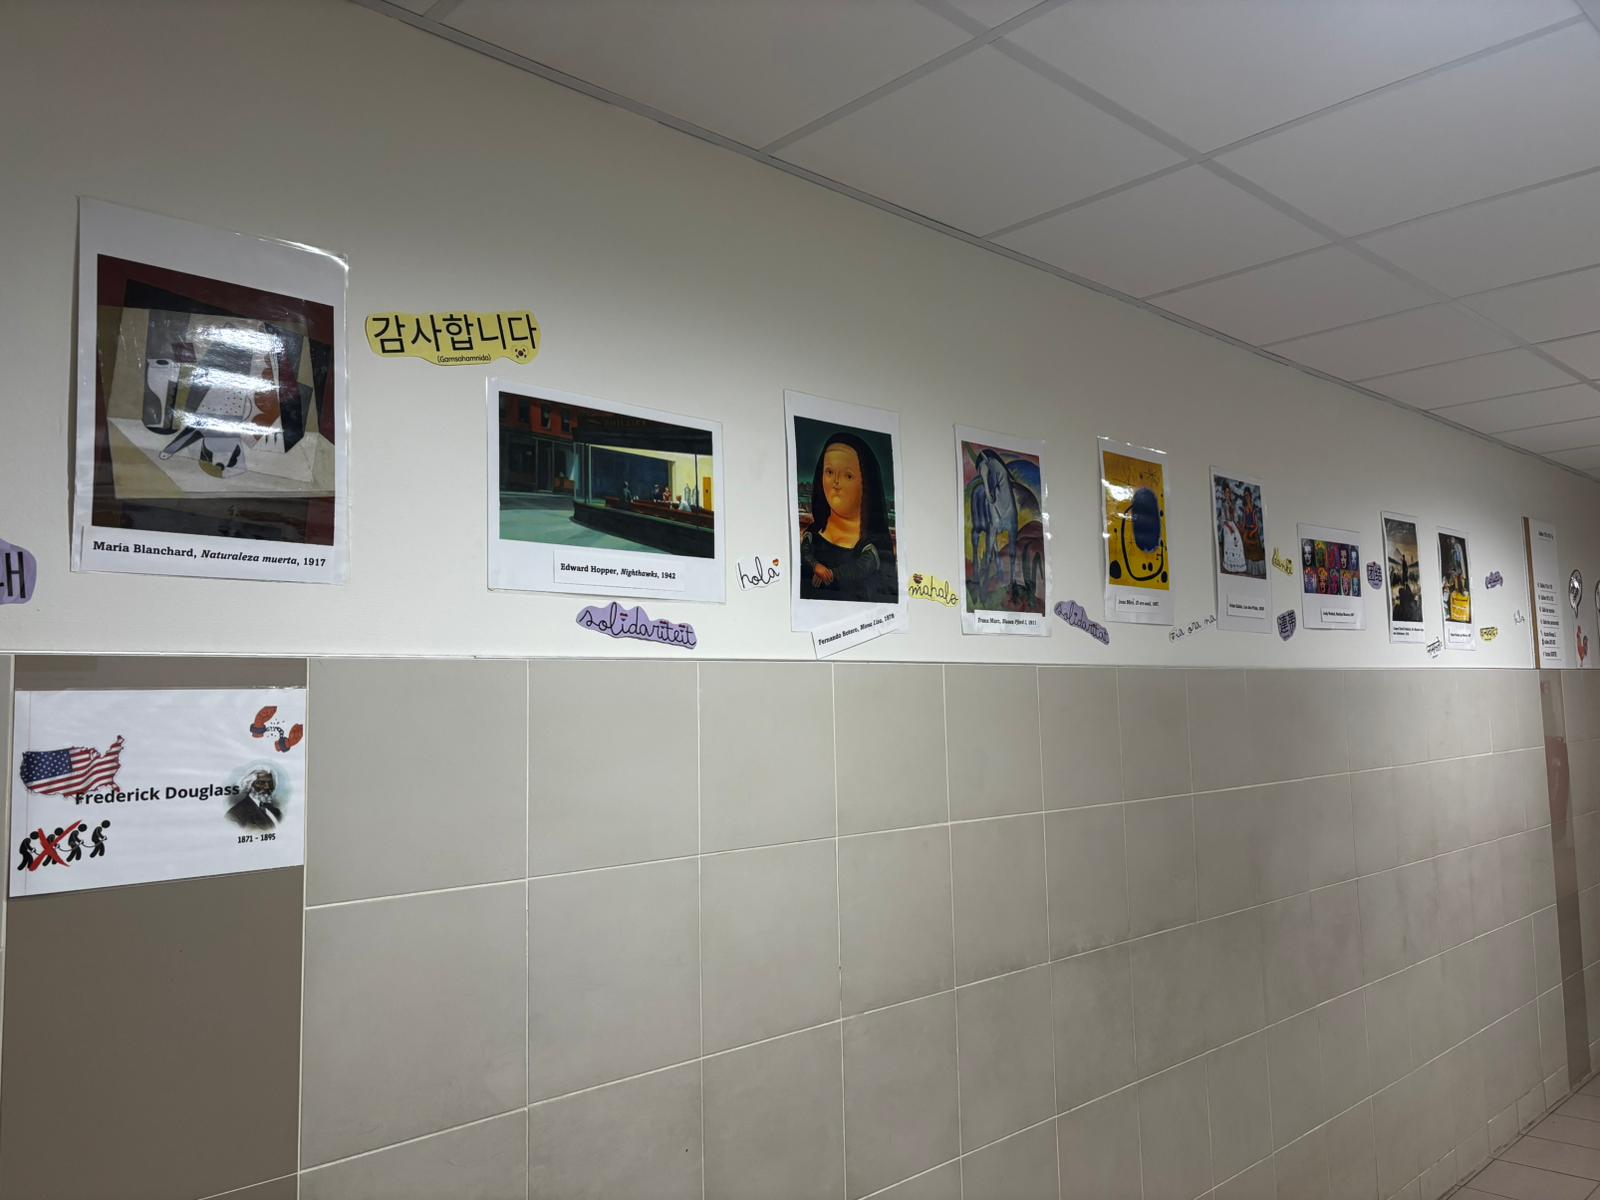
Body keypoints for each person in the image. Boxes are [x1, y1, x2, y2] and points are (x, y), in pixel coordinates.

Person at [799, 430, 898, 603]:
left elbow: (860, 570)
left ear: (866, 484)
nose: (836, 482)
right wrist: (815, 566)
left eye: (848, 475)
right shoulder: (811, 536)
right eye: (829, 472)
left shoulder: (873, 549)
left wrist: (829, 573)